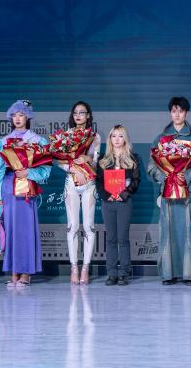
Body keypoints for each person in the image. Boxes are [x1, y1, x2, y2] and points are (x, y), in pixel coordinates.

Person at [147, 96, 191, 285]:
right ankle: (168, 274)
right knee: (168, 233)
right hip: (168, 193)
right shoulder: (160, 139)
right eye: (174, 111)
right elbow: (151, 167)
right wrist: (163, 175)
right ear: (170, 113)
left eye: (181, 111)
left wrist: (188, 175)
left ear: (186, 113)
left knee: (190, 233)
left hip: (189, 194)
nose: (177, 114)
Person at [0, 99, 50, 288]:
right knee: (10, 229)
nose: (18, 118)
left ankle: (26, 272)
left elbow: (45, 172)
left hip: (26, 187)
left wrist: (29, 173)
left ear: (28, 117)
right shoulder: (2, 143)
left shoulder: (37, 141)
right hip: (8, 188)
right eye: (14, 115)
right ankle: (14, 271)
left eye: (21, 115)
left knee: (25, 230)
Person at [95, 125, 142, 286]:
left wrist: (124, 194)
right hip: (107, 202)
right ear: (110, 139)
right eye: (113, 136)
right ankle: (111, 273)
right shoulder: (103, 159)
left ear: (125, 139)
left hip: (124, 202)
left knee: (123, 238)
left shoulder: (133, 158)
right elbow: (98, 182)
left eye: (120, 136)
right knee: (110, 238)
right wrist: (107, 195)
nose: (116, 139)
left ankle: (124, 273)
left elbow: (136, 181)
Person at [61, 101, 100, 284]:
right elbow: (59, 161)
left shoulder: (95, 136)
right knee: (73, 226)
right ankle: (74, 268)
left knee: (89, 226)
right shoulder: (66, 136)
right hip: (71, 182)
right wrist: (73, 169)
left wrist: (88, 159)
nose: (78, 115)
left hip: (89, 183)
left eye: (82, 112)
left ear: (88, 115)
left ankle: (85, 268)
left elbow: (96, 163)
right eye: (75, 112)